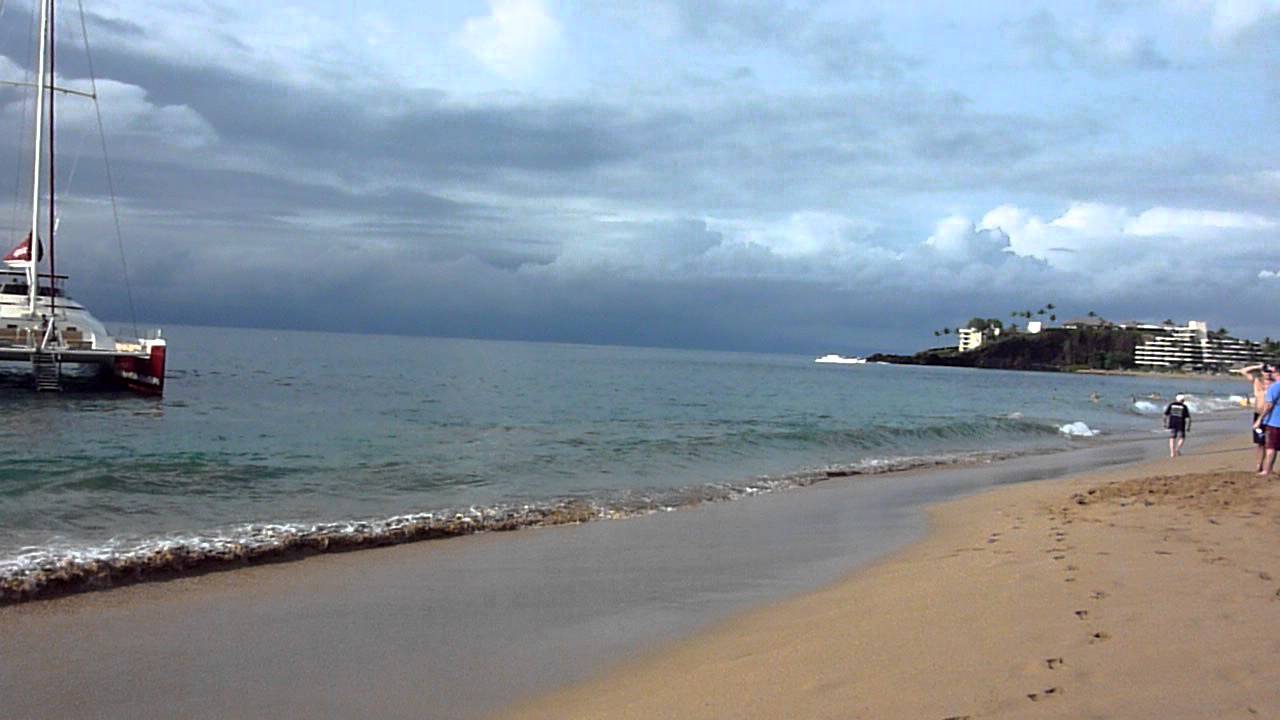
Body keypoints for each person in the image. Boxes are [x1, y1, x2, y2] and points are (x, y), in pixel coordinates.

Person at [1237, 363, 1275, 471]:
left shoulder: (1275, 383)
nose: (1267, 374)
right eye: (1265, 371)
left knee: (1270, 442)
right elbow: (1243, 371)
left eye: (1269, 371)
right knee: (1260, 442)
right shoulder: (1257, 381)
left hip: (1271, 415)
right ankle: (1259, 465)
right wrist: (1258, 366)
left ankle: (1268, 467)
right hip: (1258, 414)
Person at [1254, 375, 1280, 476]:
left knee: (1271, 447)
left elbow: (1269, 405)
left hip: (1274, 421)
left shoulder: (1275, 387)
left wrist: (1259, 419)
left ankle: (1267, 470)